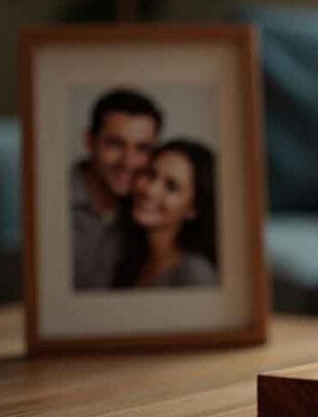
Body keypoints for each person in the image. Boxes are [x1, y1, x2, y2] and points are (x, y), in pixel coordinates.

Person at [72, 89, 162, 290]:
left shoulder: (148, 212)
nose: (128, 162)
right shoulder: (49, 200)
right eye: (115, 144)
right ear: (89, 141)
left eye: (142, 148)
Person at [114, 140, 218, 288]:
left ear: (192, 209)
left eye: (171, 187)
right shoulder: (133, 258)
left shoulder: (195, 273)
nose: (149, 190)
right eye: (150, 174)